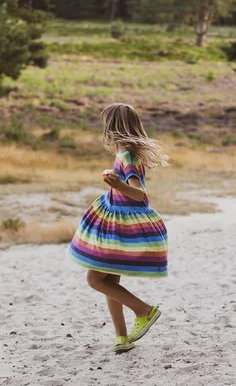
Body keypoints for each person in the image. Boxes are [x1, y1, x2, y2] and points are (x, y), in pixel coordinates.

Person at [66, 103, 169, 353]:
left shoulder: (128, 156)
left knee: (94, 279)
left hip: (120, 224)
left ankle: (144, 310)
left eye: (107, 124)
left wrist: (118, 185)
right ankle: (121, 337)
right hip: (116, 218)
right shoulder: (125, 152)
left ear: (113, 126)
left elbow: (140, 195)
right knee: (110, 279)